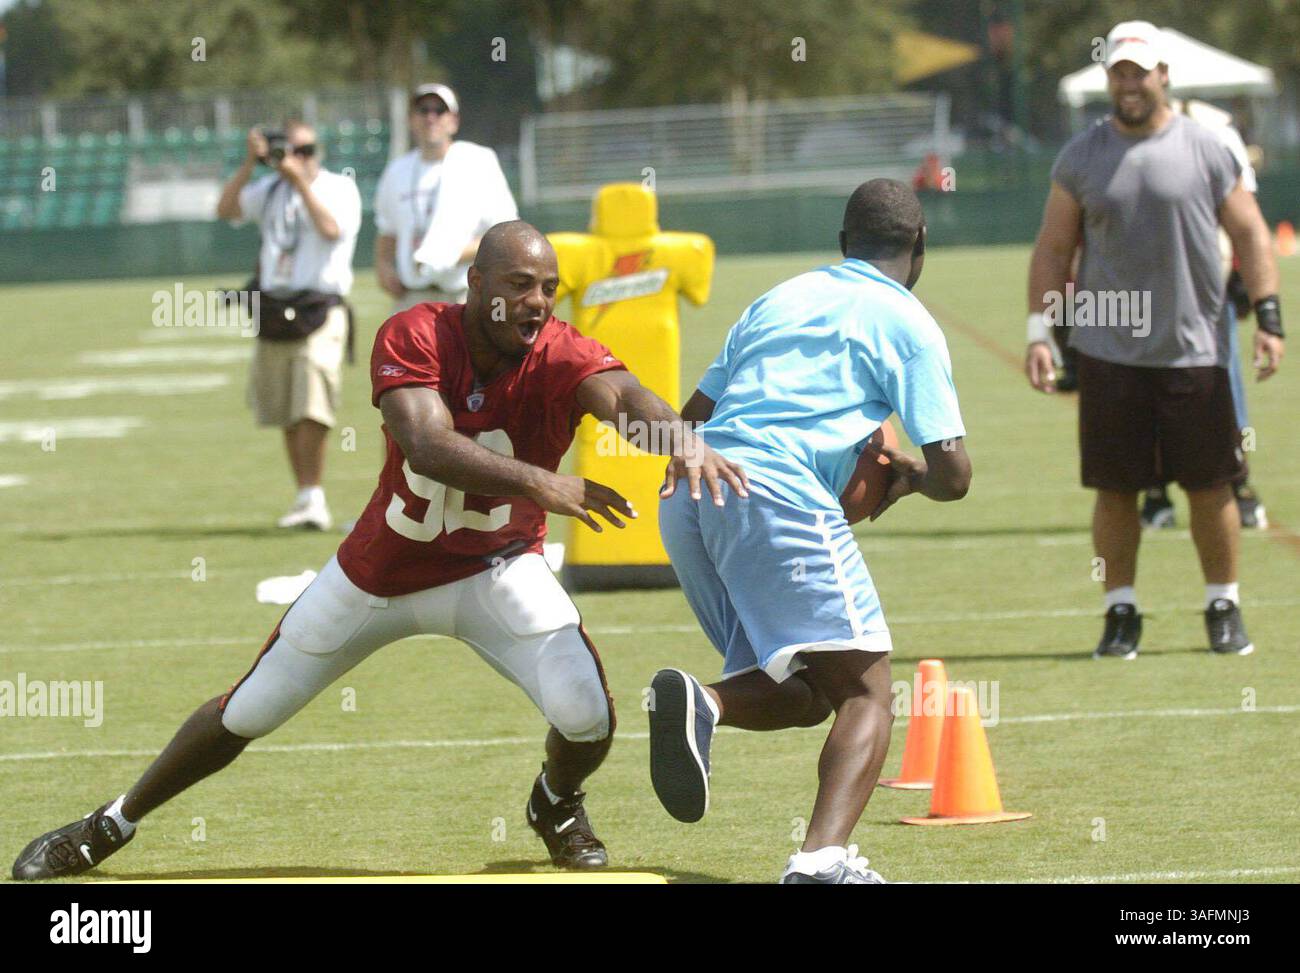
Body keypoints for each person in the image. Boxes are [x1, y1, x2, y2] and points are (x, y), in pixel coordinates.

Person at [11, 221, 746, 881]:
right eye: (520, 284)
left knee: (588, 713)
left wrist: (677, 440)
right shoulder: (416, 331)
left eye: (549, 288)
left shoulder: (559, 351)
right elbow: (426, 444)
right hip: (382, 576)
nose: (537, 301)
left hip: (498, 569)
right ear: (476, 282)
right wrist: (543, 482)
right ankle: (110, 823)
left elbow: (624, 397)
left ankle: (554, 802)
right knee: (248, 711)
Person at [649, 179, 971, 884]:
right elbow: (955, 473)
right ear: (919, 247)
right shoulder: (907, 320)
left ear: (842, 245)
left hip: (689, 494)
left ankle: (705, 701)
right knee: (868, 692)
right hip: (771, 491)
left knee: (809, 689)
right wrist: (906, 477)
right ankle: (821, 860)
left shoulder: (779, 298)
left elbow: (689, 415)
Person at [1024, 21, 1284, 660]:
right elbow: (1055, 247)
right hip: (1109, 353)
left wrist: (1270, 317)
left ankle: (1222, 603)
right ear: (1109, 77)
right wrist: (1040, 331)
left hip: (1194, 350)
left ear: (1163, 74)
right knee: (1115, 489)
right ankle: (1121, 613)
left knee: (1211, 486)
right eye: (1119, 71)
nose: (1129, 83)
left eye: (1140, 71)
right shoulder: (1081, 156)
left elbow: (1251, 233)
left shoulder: (1208, 147)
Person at [216, 121, 362, 531]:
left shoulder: (338, 188)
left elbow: (332, 230)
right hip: (275, 308)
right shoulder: (270, 190)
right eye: (289, 150)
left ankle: (314, 494)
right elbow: (225, 210)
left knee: (313, 404)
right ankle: (304, 495)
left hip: (320, 306)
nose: (298, 158)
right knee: (284, 407)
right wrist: (249, 164)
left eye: (307, 150)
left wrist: (301, 184)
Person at [1140, 94, 1269, 530]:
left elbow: (1245, 217)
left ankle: (1239, 483)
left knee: (1223, 386)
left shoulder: (1216, 136)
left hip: (1208, 290)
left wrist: (1248, 283)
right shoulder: (1122, 135)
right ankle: (1155, 490)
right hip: (1145, 288)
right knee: (1147, 389)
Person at [374, 83, 518, 313]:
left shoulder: (478, 161)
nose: (431, 117)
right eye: (423, 111)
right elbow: (387, 230)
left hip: (463, 295)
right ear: (411, 120)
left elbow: (504, 232)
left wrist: (450, 256)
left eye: (439, 110)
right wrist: (383, 267)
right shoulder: (396, 170)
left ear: (454, 121)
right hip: (412, 298)